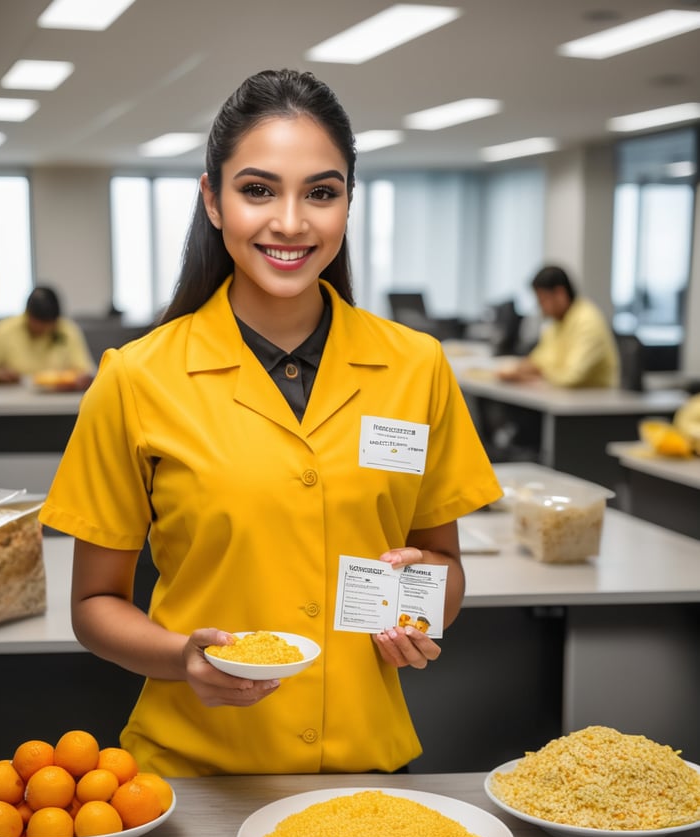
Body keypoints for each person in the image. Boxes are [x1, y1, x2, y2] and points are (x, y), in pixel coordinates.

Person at [39, 69, 502, 777]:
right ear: (213, 200)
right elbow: (96, 602)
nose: (291, 222)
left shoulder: (417, 366)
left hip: (362, 766)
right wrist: (181, 658)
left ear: (348, 203)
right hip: (196, 770)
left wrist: (424, 605)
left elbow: (442, 562)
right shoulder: (136, 377)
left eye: (321, 192)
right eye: (257, 190)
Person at [498, 266, 619, 387]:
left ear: (560, 293)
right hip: (565, 399)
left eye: (543, 300)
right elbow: (539, 360)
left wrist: (533, 376)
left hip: (595, 401)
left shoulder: (587, 321)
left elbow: (572, 377)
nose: (540, 307)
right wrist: (520, 369)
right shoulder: (557, 322)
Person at [0, 285, 95, 384]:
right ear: (27, 314)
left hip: (58, 398)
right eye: (38, 323)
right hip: (12, 401)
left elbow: (84, 370)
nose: (43, 329)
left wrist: (80, 379)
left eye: (47, 324)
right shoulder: (2, 331)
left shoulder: (67, 330)